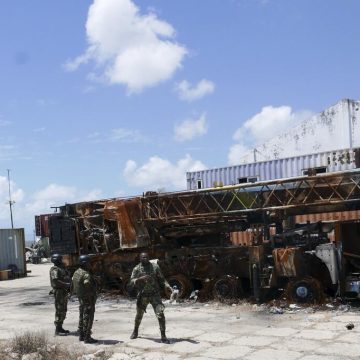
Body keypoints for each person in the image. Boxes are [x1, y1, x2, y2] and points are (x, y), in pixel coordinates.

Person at [129, 252, 173, 343]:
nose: (145, 258)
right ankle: (135, 331)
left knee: (160, 314)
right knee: (139, 315)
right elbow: (131, 281)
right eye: (143, 257)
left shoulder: (155, 267)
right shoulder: (136, 269)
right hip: (142, 295)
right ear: (140, 258)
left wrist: (167, 286)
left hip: (155, 295)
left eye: (146, 257)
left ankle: (163, 335)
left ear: (149, 257)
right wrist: (140, 279)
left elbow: (162, 279)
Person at [72, 255, 98, 344]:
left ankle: (81, 335)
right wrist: (91, 301)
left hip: (81, 298)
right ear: (85, 263)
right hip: (87, 299)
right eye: (89, 263)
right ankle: (87, 337)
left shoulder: (77, 272)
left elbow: (73, 284)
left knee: (81, 316)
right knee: (88, 317)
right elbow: (87, 284)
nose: (90, 264)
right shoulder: (86, 274)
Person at [49, 254, 71, 335]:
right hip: (59, 292)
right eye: (60, 259)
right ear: (57, 260)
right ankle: (58, 329)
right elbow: (56, 281)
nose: (62, 261)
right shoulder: (55, 269)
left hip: (63, 291)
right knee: (59, 309)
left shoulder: (61, 268)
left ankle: (60, 327)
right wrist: (66, 284)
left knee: (63, 309)